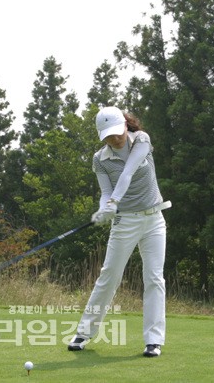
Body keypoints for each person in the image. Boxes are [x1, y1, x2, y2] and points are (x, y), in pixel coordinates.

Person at [68, 106, 170, 357]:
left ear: (125, 124)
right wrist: (104, 208)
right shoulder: (100, 159)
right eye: (108, 136)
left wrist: (114, 201)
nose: (115, 139)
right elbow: (105, 192)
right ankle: (83, 332)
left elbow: (127, 173)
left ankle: (153, 341)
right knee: (109, 276)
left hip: (154, 219)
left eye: (117, 132)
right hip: (125, 222)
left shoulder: (142, 140)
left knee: (154, 278)